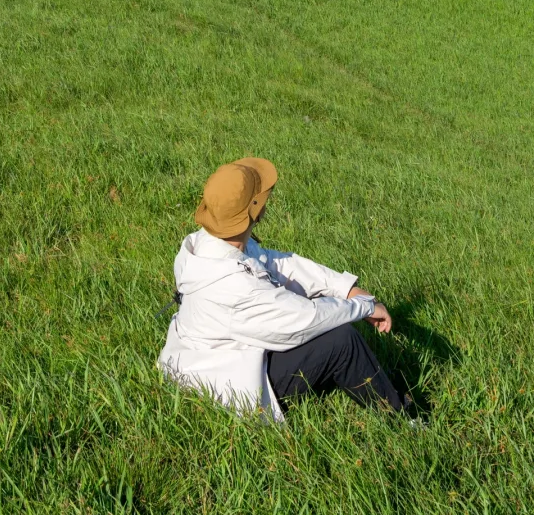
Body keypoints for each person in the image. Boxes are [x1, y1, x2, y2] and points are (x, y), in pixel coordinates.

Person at [157, 157, 406, 421]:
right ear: (253, 211)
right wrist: (364, 307)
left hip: (200, 357)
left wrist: (345, 289)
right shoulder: (236, 285)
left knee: (330, 317)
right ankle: (403, 418)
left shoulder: (207, 242)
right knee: (341, 342)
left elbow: (278, 264)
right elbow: (307, 318)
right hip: (225, 382)